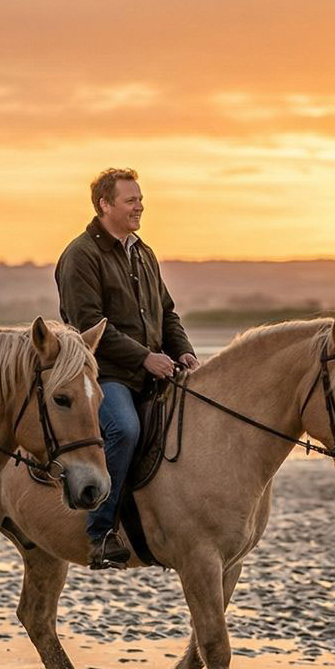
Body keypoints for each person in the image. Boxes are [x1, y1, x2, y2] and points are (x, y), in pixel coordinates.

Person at [54, 168, 198, 568]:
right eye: (130, 199)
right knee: (125, 427)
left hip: (154, 368)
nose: (140, 206)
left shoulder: (143, 251)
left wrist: (182, 350)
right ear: (105, 205)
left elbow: (166, 312)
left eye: (140, 198)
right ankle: (100, 533)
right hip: (105, 375)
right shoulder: (80, 255)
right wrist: (144, 358)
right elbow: (89, 326)